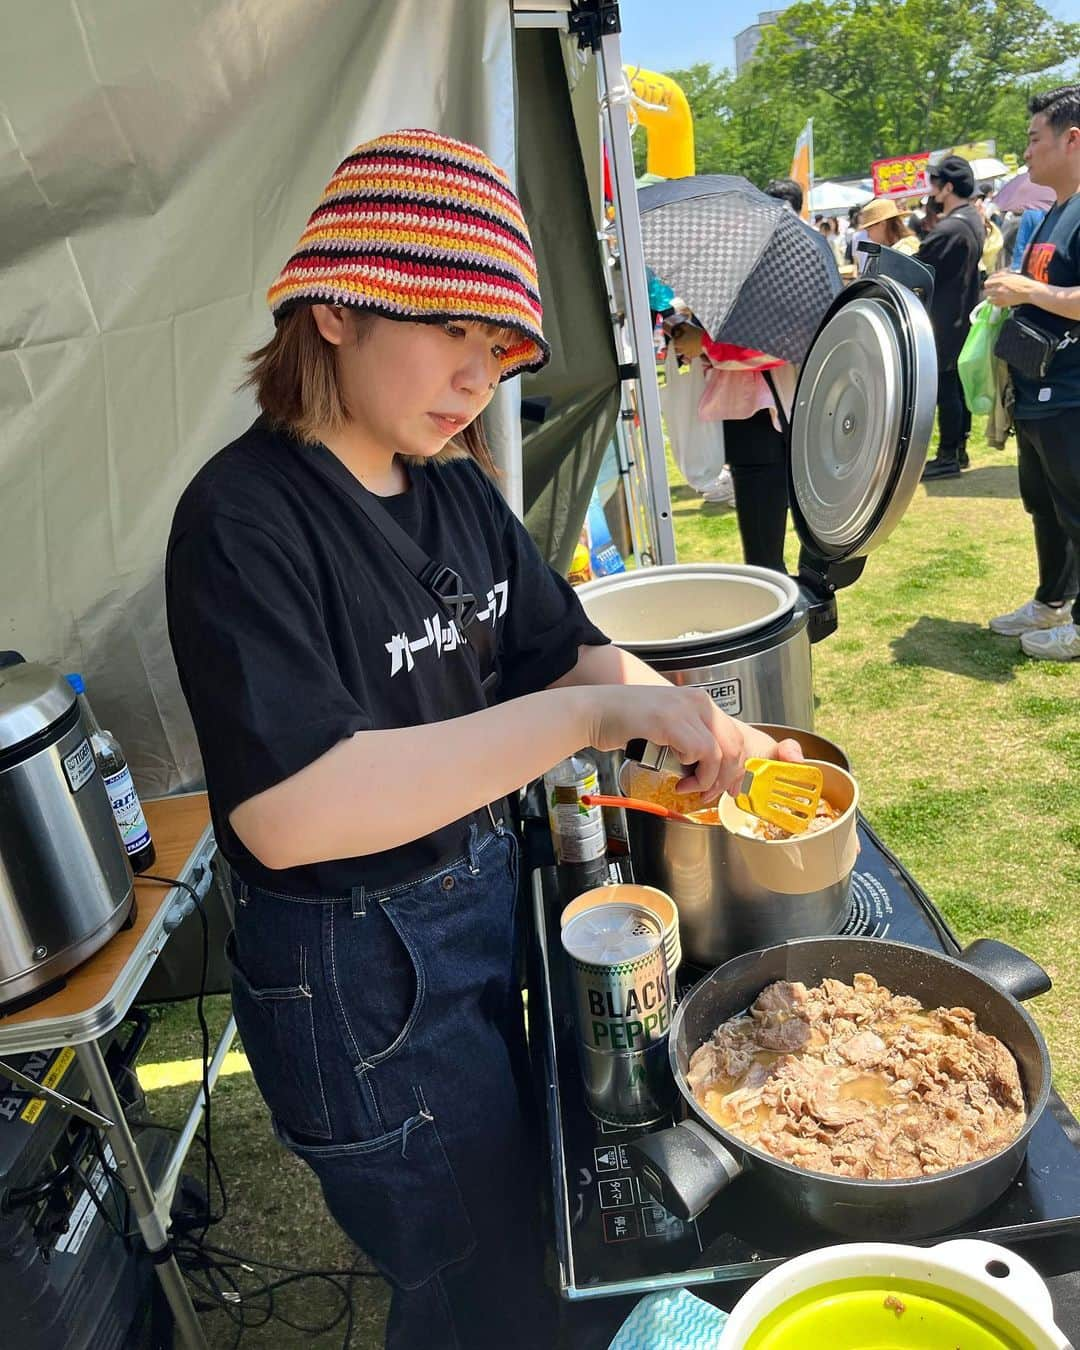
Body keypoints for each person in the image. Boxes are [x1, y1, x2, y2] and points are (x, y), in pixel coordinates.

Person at [164, 130, 802, 1348]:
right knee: (472, 1280)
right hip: (355, 973)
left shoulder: (449, 482)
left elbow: (560, 649)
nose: (477, 379)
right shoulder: (243, 518)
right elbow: (293, 812)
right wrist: (589, 714)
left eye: (498, 350)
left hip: (473, 909)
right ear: (338, 307)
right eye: (449, 330)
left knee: (523, 1220)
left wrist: (686, 712)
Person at [985, 86, 1080, 661]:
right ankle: (1053, 600)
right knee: (1045, 504)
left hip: (1072, 390)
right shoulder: (1053, 213)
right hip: (1038, 386)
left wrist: (1030, 289)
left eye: (1033, 138)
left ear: (1072, 139)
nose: (1026, 153)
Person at [918, 156, 986, 480]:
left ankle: (948, 454)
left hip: (946, 316)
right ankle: (957, 449)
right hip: (963, 310)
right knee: (955, 387)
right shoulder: (972, 219)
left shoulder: (952, 227)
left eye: (936, 183)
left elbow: (921, 266)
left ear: (948, 187)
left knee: (947, 387)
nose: (932, 190)